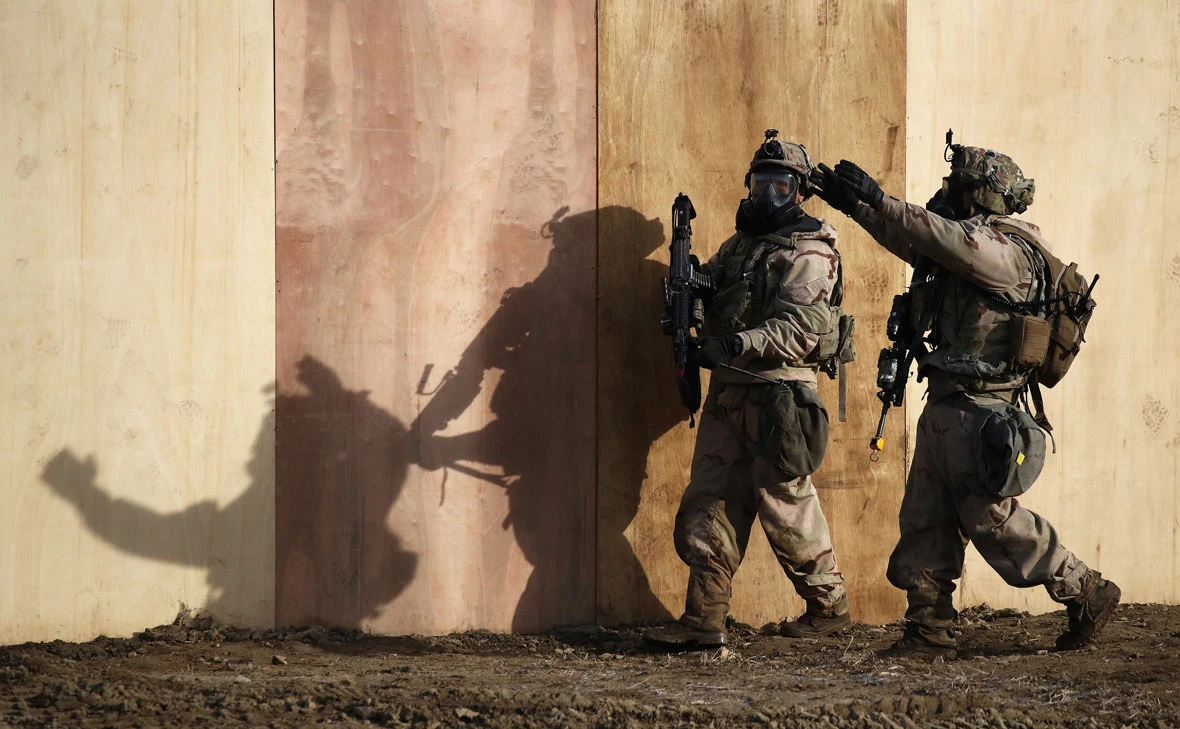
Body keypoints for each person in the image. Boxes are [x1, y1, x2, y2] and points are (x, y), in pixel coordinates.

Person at [811, 140, 1120, 658]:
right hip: (948, 401)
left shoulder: (1006, 252)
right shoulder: (967, 243)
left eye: (957, 184)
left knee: (992, 522)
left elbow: (939, 237)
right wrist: (856, 205)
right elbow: (912, 238)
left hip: (982, 411)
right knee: (924, 516)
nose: (946, 190)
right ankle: (928, 629)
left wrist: (879, 196)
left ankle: (1084, 588)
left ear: (981, 194)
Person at [644, 130, 853, 649]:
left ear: (799, 191)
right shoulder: (742, 244)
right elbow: (718, 282)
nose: (766, 195)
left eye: (779, 185)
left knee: (786, 509)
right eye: (759, 183)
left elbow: (800, 329)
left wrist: (732, 343)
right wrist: (692, 283)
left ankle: (829, 609)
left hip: (778, 396)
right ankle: (704, 618)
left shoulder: (810, 251)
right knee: (709, 503)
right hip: (729, 394)